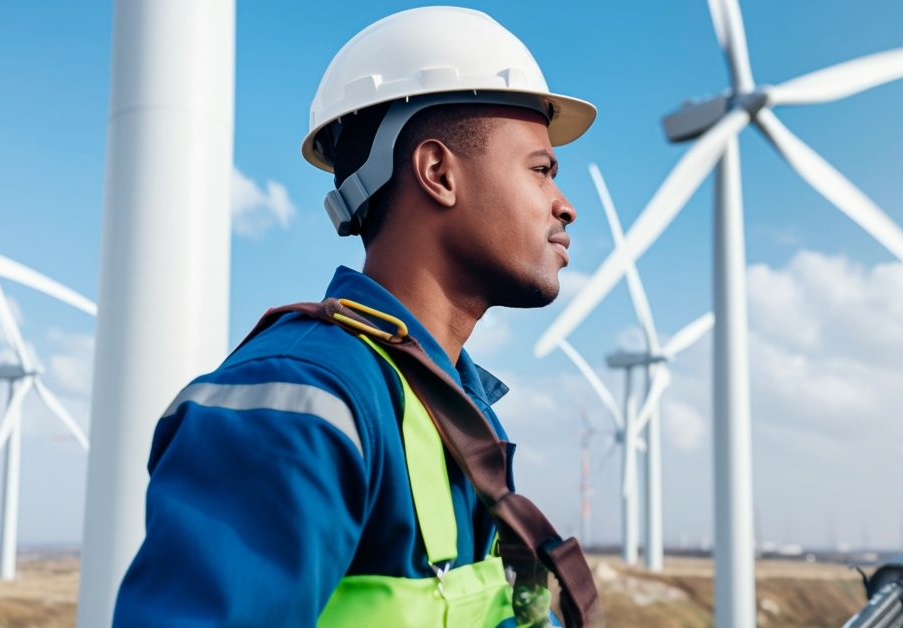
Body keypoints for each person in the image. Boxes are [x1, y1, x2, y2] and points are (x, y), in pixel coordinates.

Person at [113, 7, 598, 626]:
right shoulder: (298, 402)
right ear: (438, 173)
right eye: (541, 170)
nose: (565, 205)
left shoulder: (452, 405)